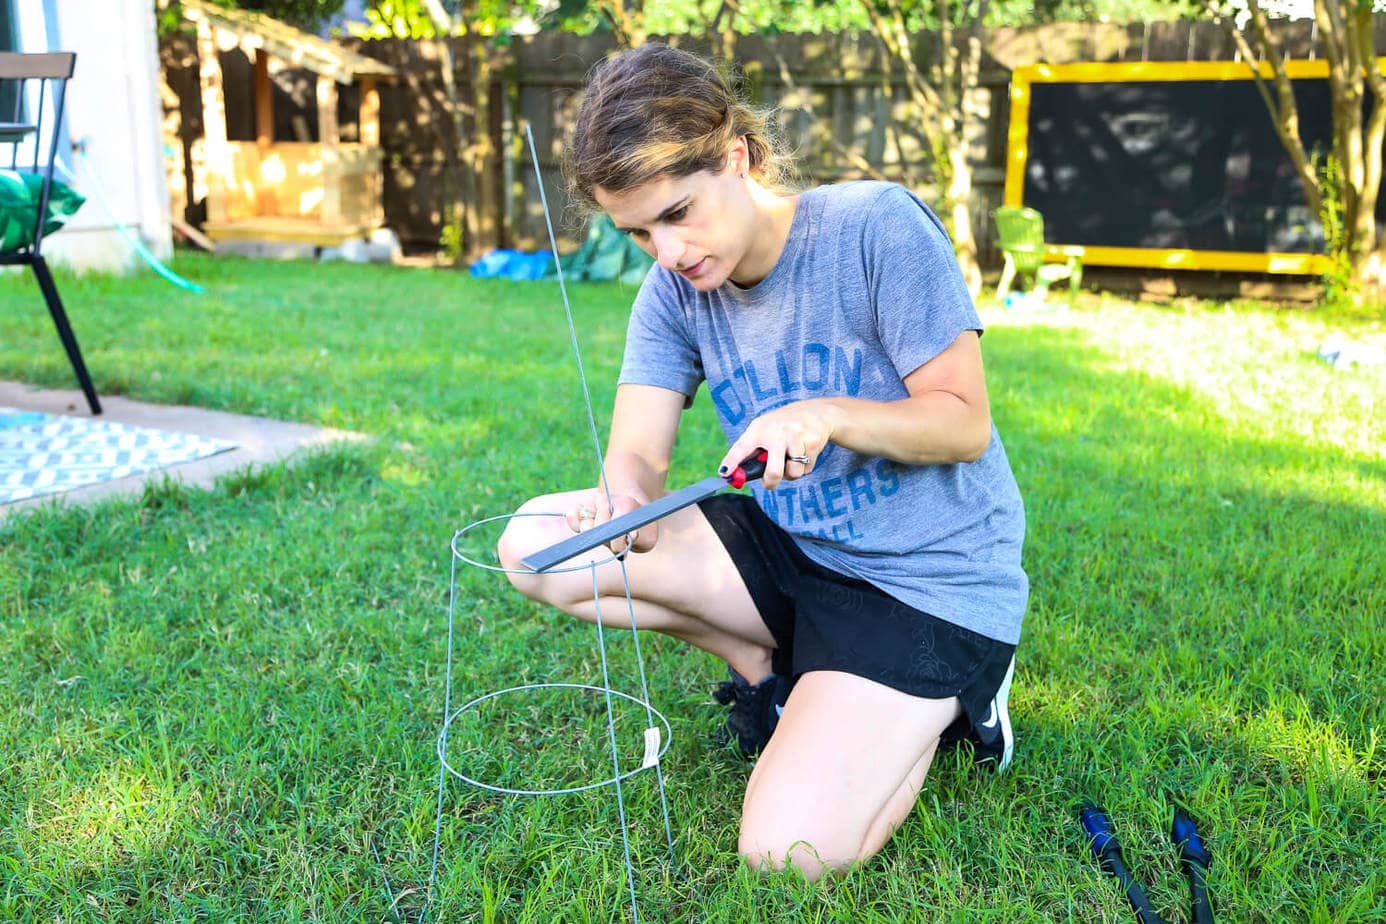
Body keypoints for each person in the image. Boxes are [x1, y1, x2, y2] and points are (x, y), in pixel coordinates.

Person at [497, 43, 1028, 881]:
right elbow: (637, 450)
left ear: (736, 156)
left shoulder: (873, 227)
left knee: (786, 854)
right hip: (791, 554)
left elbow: (962, 424)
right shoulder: (672, 291)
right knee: (535, 546)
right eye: (637, 231)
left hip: (925, 584)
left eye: (677, 213)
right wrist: (624, 505)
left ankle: (956, 708)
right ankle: (779, 675)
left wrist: (825, 415)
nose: (665, 252)